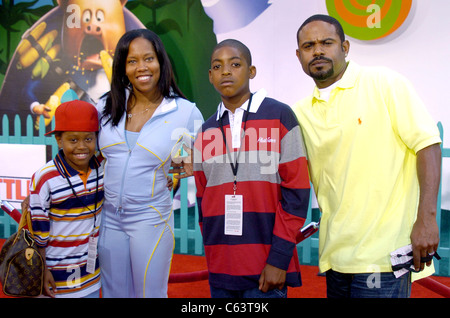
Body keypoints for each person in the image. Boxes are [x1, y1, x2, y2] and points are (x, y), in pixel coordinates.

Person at [293, 14, 442, 298]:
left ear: (345, 47)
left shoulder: (384, 83)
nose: (318, 51)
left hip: (384, 255)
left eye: (327, 42)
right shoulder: (300, 112)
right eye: (309, 46)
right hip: (334, 254)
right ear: (299, 55)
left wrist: (427, 219)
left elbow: (428, 145)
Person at [193, 39, 311, 298]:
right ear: (210, 76)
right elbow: (204, 200)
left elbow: (297, 193)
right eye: (217, 66)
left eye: (235, 64)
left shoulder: (280, 115)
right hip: (221, 268)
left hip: (267, 269)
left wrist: (279, 259)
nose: (226, 71)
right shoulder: (205, 132)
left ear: (251, 71)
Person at [96, 28, 203, 298]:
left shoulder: (184, 112)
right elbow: (86, 156)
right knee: (114, 294)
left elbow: (188, 161)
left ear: (161, 62)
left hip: (151, 219)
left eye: (148, 58)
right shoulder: (104, 107)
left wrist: (175, 175)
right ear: (122, 67)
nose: (141, 67)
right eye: (132, 61)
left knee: (150, 294)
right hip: (108, 219)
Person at [29, 100, 104, 298]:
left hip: (92, 276)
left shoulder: (102, 167)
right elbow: (39, 232)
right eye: (73, 140)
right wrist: (42, 269)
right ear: (58, 140)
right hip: (55, 277)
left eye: (88, 139)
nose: (82, 147)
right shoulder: (45, 178)